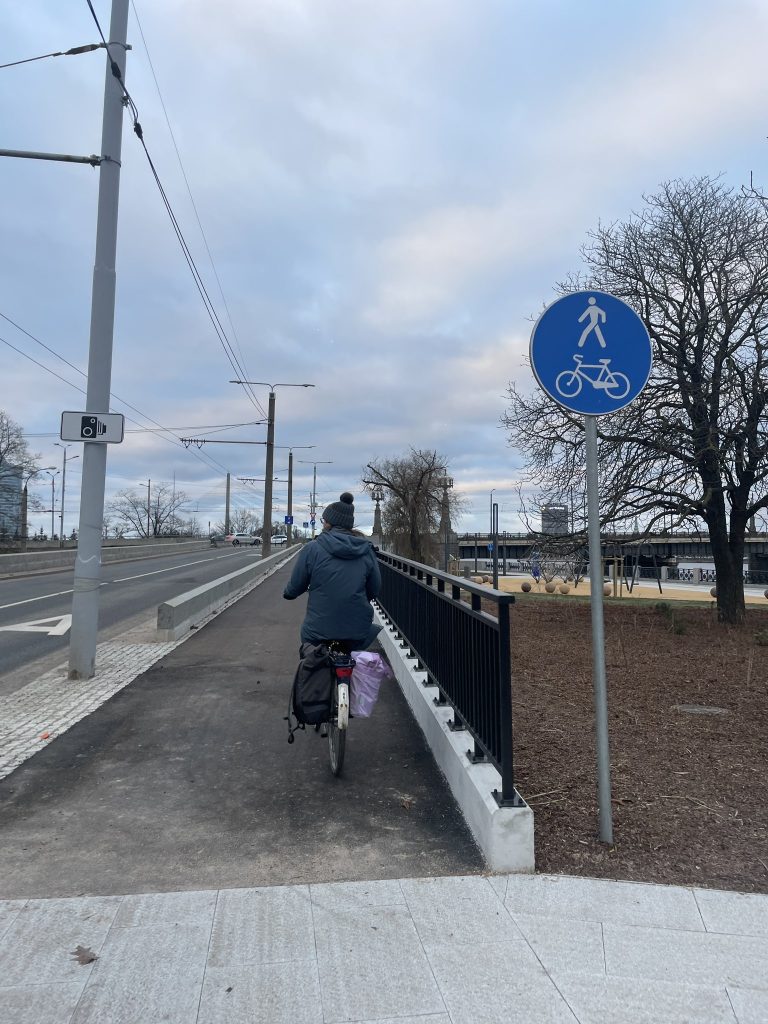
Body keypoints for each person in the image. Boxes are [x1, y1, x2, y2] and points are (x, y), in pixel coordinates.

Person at [283, 492, 381, 650]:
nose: (323, 524)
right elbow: (374, 589)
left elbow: (296, 586)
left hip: (318, 630)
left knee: (309, 653)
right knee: (354, 658)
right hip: (356, 628)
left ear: (329, 522)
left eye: (324, 520)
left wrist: (289, 593)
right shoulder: (366, 549)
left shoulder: (312, 548)